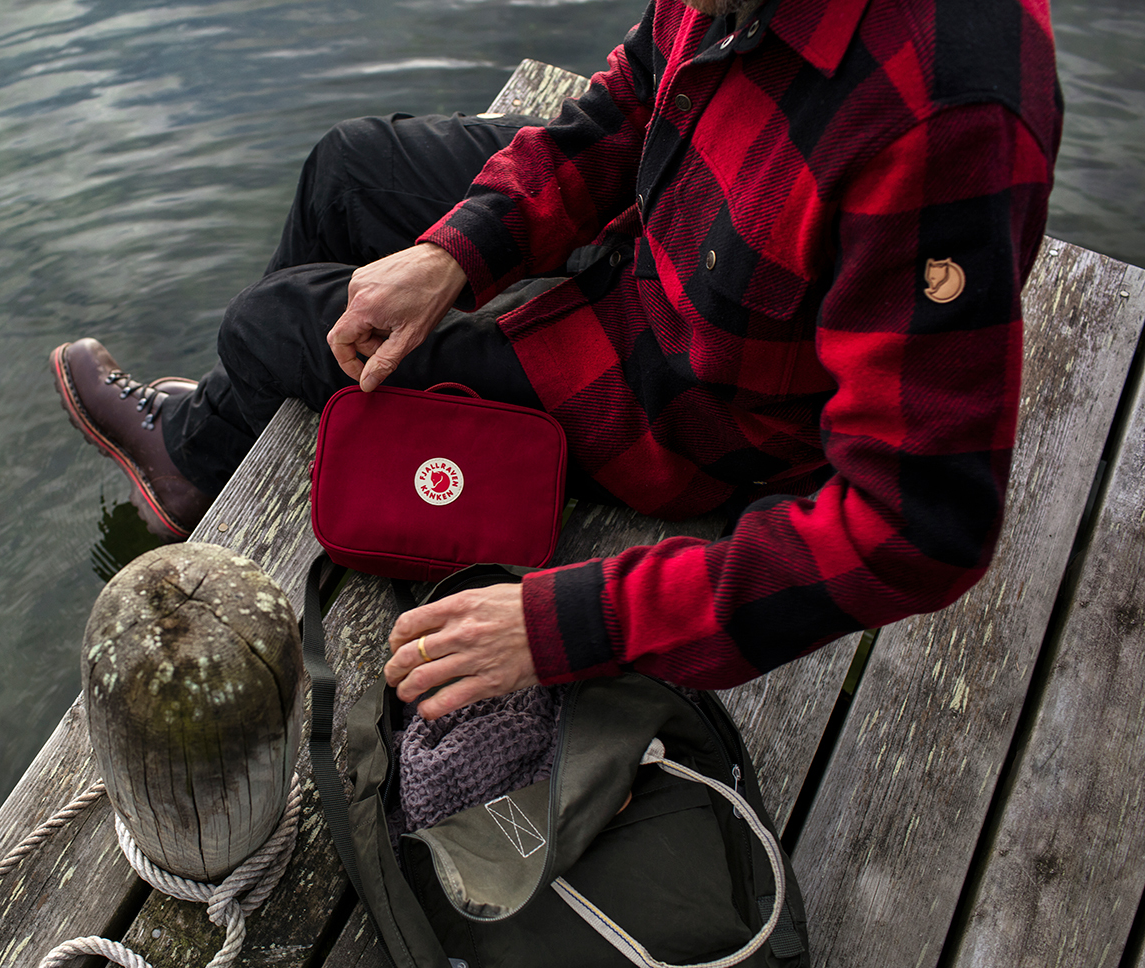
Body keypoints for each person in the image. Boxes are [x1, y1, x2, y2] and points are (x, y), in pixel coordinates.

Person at [51, 0, 1061, 720]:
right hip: (663, 224)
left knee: (271, 322)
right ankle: (204, 455)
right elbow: (628, 109)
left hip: (684, 395)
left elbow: (917, 526)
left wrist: (567, 623)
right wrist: (460, 250)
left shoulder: (949, 112)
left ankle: (203, 446)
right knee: (348, 173)